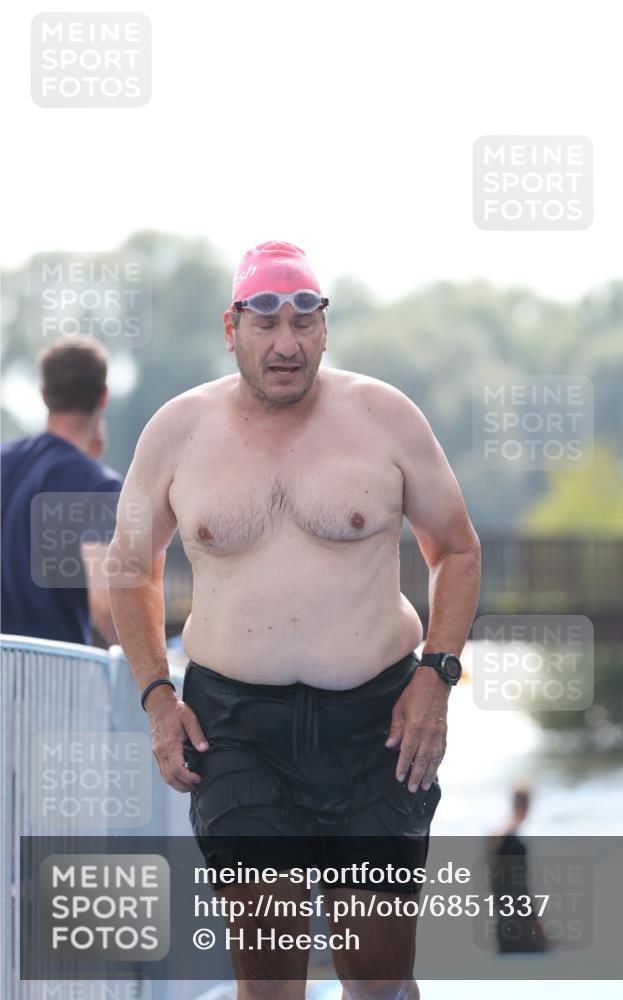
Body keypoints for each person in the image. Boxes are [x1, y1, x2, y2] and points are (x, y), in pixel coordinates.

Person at [108, 241, 481, 999]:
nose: (287, 344)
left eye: (303, 323)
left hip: (378, 727)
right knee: (271, 979)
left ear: (324, 328)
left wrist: (436, 678)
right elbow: (129, 568)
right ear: (232, 328)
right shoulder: (178, 431)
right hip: (237, 731)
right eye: (266, 323)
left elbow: (457, 550)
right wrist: (157, 698)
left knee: (377, 980)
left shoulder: (384, 417)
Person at [1, 336, 122, 646]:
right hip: (55, 669)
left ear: (44, 395)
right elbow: (105, 605)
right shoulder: (100, 487)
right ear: (103, 396)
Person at [487, 785, 549, 954]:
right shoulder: (513, 843)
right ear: (526, 805)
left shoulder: (494, 837)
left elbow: (495, 886)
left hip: (502, 925)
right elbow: (520, 890)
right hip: (521, 927)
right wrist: (537, 926)